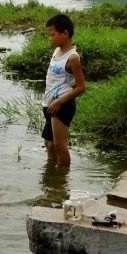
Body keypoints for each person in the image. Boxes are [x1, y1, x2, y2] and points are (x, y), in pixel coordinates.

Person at [42, 13, 86, 166]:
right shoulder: (57, 52)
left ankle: (62, 183)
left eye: (53, 34)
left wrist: (59, 101)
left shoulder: (72, 58)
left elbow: (81, 87)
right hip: (49, 104)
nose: (50, 38)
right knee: (50, 145)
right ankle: (52, 180)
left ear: (65, 33)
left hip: (62, 105)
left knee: (60, 147)